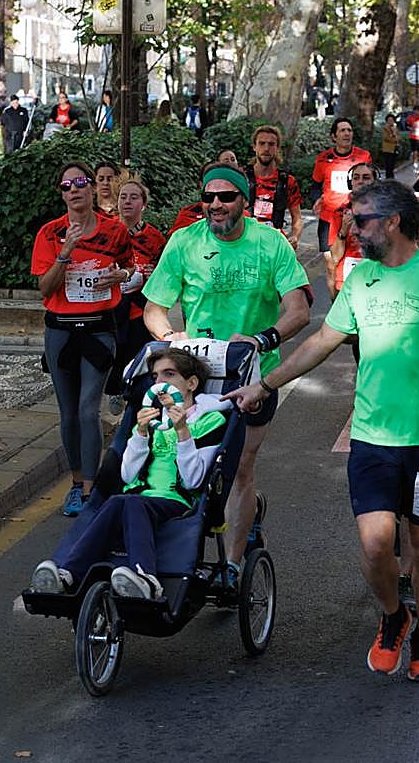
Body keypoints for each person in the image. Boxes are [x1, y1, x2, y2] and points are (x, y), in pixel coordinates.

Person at [225, 180, 419, 682]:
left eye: (362, 219)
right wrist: (264, 385)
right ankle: (394, 617)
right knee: (376, 547)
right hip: (373, 438)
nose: (354, 228)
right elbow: (322, 341)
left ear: (394, 222)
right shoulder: (360, 280)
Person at [142, 164, 311, 588]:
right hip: (197, 381)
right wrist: (170, 337)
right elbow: (154, 309)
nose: (215, 204)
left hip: (253, 377)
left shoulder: (270, 243)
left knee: (237, 467)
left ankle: (232, 567)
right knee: (185, 467)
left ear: (244, 201)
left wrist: (262, 338)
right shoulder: (185, 242)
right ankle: (209, 535)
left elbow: (298, 311)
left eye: (226, 196)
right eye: (209, 197)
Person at [31, 348, 228, 600]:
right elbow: (127, 475)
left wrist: (182, 432)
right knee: (116, 501)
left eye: (169, 374)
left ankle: (146, 578)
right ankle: (67, 574)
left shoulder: (210, 421)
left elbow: (194, 480)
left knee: (131, 503)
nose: (159, 383)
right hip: (138, 496)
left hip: (177, 499)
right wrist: (141, 434)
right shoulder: (151, 420)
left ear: (191, 383)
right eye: (155, 376)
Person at [32, 163, 136, 517]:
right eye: (66, 185)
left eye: (79, 182)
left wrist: (120, 276)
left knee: (87, 409)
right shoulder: (50, 233)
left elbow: (130, 267)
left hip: (98, 328)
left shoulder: (114, 231)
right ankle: (76, 483)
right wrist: (66, 252)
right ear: (62, 195)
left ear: (92, 188)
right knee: (68, 414)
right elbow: (45, 288)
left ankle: (90, 488)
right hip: (61, 331)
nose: (74, 189)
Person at [104, 172, 167, 410]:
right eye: (123, 197)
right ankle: (113, 389)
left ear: (144, 204)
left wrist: (154, 273)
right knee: (113, 352)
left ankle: (135, 399)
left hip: (141, 307)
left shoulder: (154, 237)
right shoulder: (107, 230)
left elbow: (166, 272)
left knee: (139, 356)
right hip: (111, 304)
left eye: (133, 197)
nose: (127, 202)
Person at [313, 117, 373, 297]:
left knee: (358, 259)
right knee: (331, 264)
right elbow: (315, 185)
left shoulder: (363, 156)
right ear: (334, 136)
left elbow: (371, 181)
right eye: (342, 130)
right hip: (329, 218)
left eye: (349, 130)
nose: (347, 134)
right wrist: (317, 199)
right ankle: (335, 304)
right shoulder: (323, 158)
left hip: (357, 215)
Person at [246, 125, 305, 249]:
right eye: (262, 143)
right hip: (246, 242)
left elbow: (297, 218)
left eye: (271, 144)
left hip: (275, 243)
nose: (266, 148)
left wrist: (295, 236)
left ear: (277, 148)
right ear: (254, 146)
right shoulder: (242, 178)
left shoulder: (287, 181)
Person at [329, 160, 376, 296]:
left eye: (366, 178)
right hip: (347, 280)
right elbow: (335, 257)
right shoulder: (339, 213)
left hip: (376, 279)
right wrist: (343, 230)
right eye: (356, 178)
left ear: (374, 182)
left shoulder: (386, 213)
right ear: (351, 183)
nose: (360, 181)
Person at [380, 114, 400, 178]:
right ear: (386, 121)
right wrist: (394, 137)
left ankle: (392, 178)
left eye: (392, 120)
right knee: (388, 165)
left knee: (392, 165)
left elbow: (398, 138)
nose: (390, 121)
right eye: (389, 120)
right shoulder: (385, 128)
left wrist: (394, 135)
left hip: (394, 149)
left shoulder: (395, 128)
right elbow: (386, 138)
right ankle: (388, 178)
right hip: (387, 149)